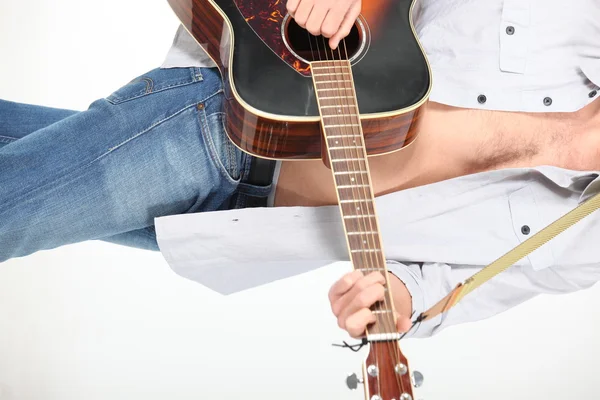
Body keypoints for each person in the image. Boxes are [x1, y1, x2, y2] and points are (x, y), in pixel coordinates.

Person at [2, 0, 600, 341]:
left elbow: (437, 295)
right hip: (230, 117)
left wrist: (393, 298)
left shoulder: (586, 252)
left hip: (250, 218)